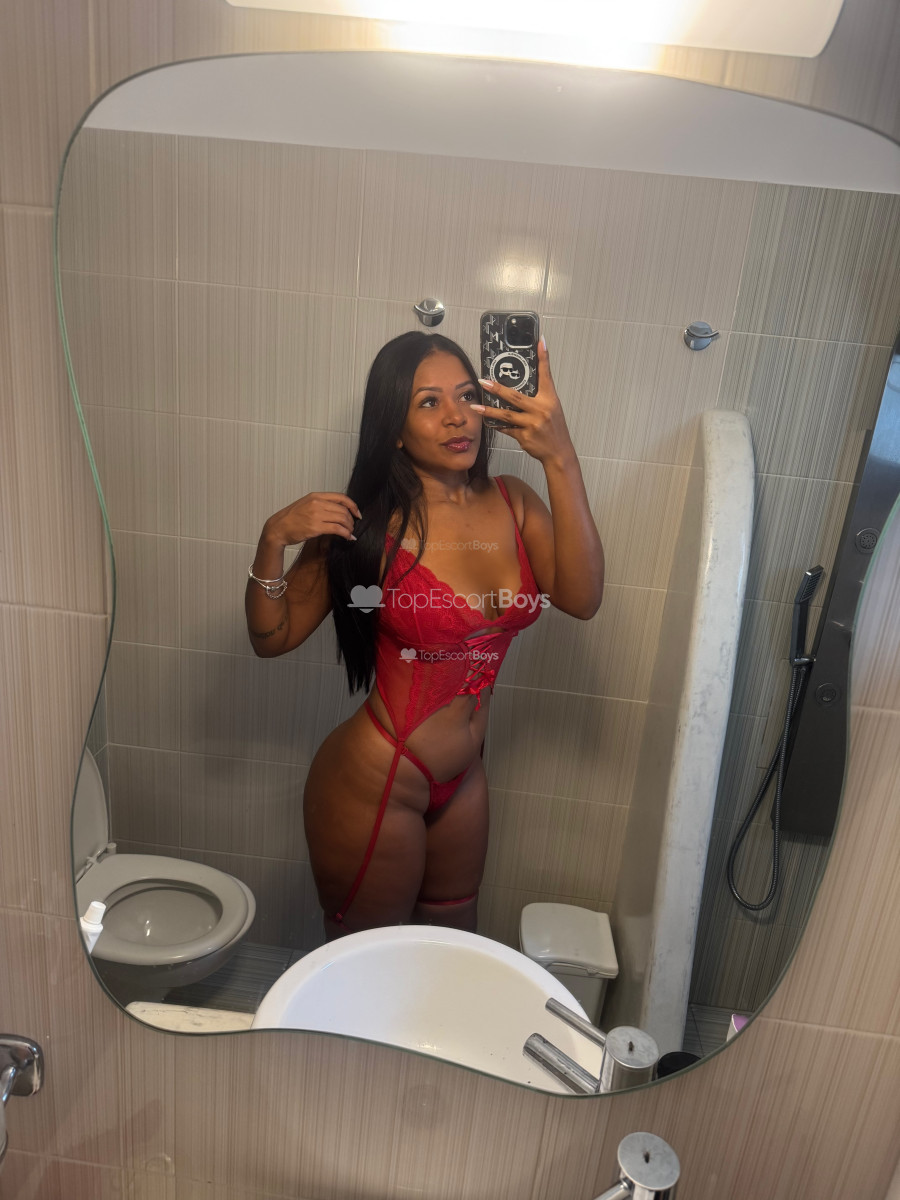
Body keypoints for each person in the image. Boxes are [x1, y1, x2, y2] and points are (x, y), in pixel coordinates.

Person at [245, 331, 604, 938]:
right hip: (376, 779)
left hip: (464, 776)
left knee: (451, 944)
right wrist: (272, 539)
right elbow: (271, 638)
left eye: (466, 395)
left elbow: (582, 598)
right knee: (369, 958)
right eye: (429, 402)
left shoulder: (514, 502)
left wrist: (560, 456)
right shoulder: (364, 526)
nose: (457, 416)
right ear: (394, 427)